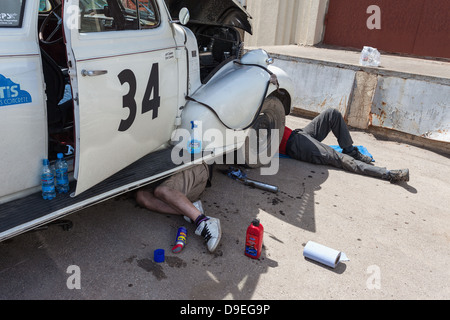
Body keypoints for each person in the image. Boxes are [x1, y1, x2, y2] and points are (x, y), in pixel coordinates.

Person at [279, 108, 409, 183]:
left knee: (332, 113)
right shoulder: (259, 132)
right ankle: (388, 173)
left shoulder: (262, 110)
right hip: (296, 146)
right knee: (339, 158)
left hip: (298, 133)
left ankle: (350, 150)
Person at [135, 163, 221, 253]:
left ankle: (205, 221)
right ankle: (191, 210)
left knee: (162, 190)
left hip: (193, 164)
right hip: (164, 175)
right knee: (142, 196)